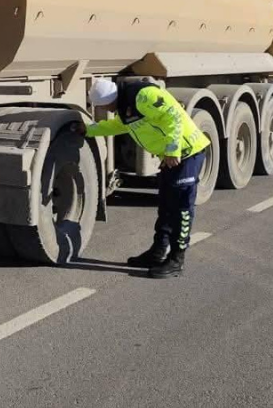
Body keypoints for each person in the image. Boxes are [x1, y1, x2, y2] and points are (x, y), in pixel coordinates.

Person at [75, 78, 211, 278]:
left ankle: (176, 259)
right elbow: (119, 126)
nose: (108, 109)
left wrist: (173, 149)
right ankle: (158, 252)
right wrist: (90, 130)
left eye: (105, 106)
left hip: (186, 153)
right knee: (165, 205)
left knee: (181, 208)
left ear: (110, 99)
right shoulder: (125, 104)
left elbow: (173, 116)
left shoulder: (144, 96)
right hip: (170, 158)